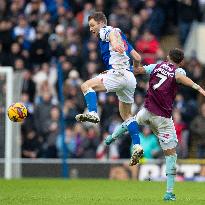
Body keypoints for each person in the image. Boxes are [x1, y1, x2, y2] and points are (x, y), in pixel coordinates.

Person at [104, 48, 205, 201]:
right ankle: (169, 193)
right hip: (162, 119)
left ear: (167, 56)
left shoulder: (155, 66)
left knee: (131, 121)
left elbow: (136, 69)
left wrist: (134, 59)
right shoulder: (179, 72)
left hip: (147, 110)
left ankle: (111, 137)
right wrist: (199, 88)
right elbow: (181, 77)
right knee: (171, 155)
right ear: (181, 62)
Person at [75, 11, 143, 166]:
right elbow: (138, 58)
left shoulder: (106, 30)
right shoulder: (124, 39)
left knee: (85, 86)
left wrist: (114, 43)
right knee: (126, 115)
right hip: (129, 78)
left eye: (92, 25)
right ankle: (137, 145)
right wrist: (136, 69)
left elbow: (112, 34)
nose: (91, 29)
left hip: (118, 73)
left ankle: (92, 112)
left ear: (100, 23)